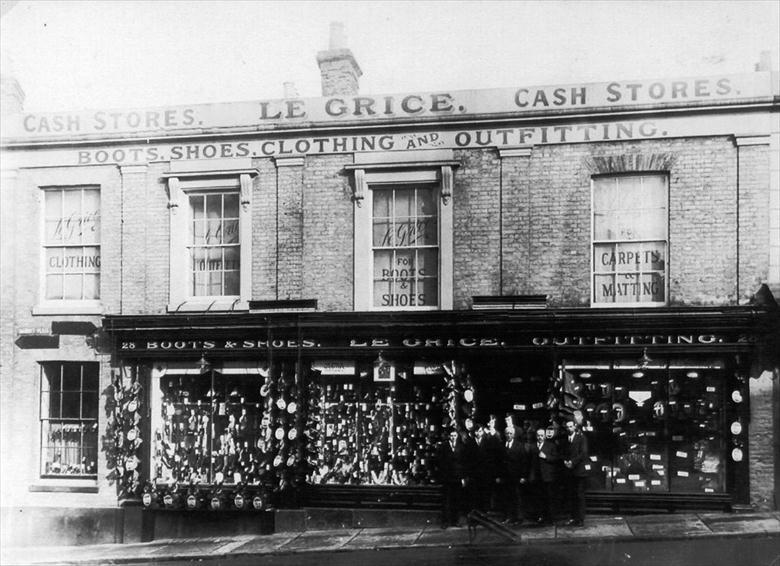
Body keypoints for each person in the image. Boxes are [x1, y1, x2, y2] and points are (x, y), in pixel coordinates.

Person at [438, 429, 468, 528]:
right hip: (447, 477)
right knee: (446, 500)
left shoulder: (462, 447)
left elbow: (464, 463)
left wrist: (463, 477)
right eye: (451, 435)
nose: (453, 437)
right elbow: (440, 462)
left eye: (455, 435)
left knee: (457, 500)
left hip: (457, 477)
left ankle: (456, 521)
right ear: (449, 436)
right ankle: (445, 522)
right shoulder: (444, 446)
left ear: (457, 436)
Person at [528, 427, 559, 525]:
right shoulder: (532, 447)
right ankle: (540, 517)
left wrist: (546, 457)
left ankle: (550, 518)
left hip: (547, 477)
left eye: (542, 435)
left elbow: (556, 458)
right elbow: (529, 462)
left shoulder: (551, 446)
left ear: (545, 436)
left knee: (549, 499)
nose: (540, 437)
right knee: (538, 498)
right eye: (538, 435)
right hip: (537, 477)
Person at [562, 419, 589, 526]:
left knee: (579, 495)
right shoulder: (565, 439)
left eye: (570, 426)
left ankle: (580, 519)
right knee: (571, 495)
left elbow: (583, 453)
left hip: (579, 471)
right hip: (569, 472)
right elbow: (563, 452)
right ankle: (573, 517)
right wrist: (565, 461)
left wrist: (572, 462)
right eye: (567, 427)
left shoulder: (581, 438)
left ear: (574, 427)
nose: (569, 428)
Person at [501, 425, 527, 524]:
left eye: (510, 433)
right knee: (506, 497)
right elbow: (499, 462)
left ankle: (519, 518)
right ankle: (509, 517)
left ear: (514, 435)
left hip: (516, 476)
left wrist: (523, 476)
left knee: (517, 497)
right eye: (507, 433)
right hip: (505, 477)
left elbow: (524, 462)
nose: (509, 435)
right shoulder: (502, 445)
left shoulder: (519, 446)